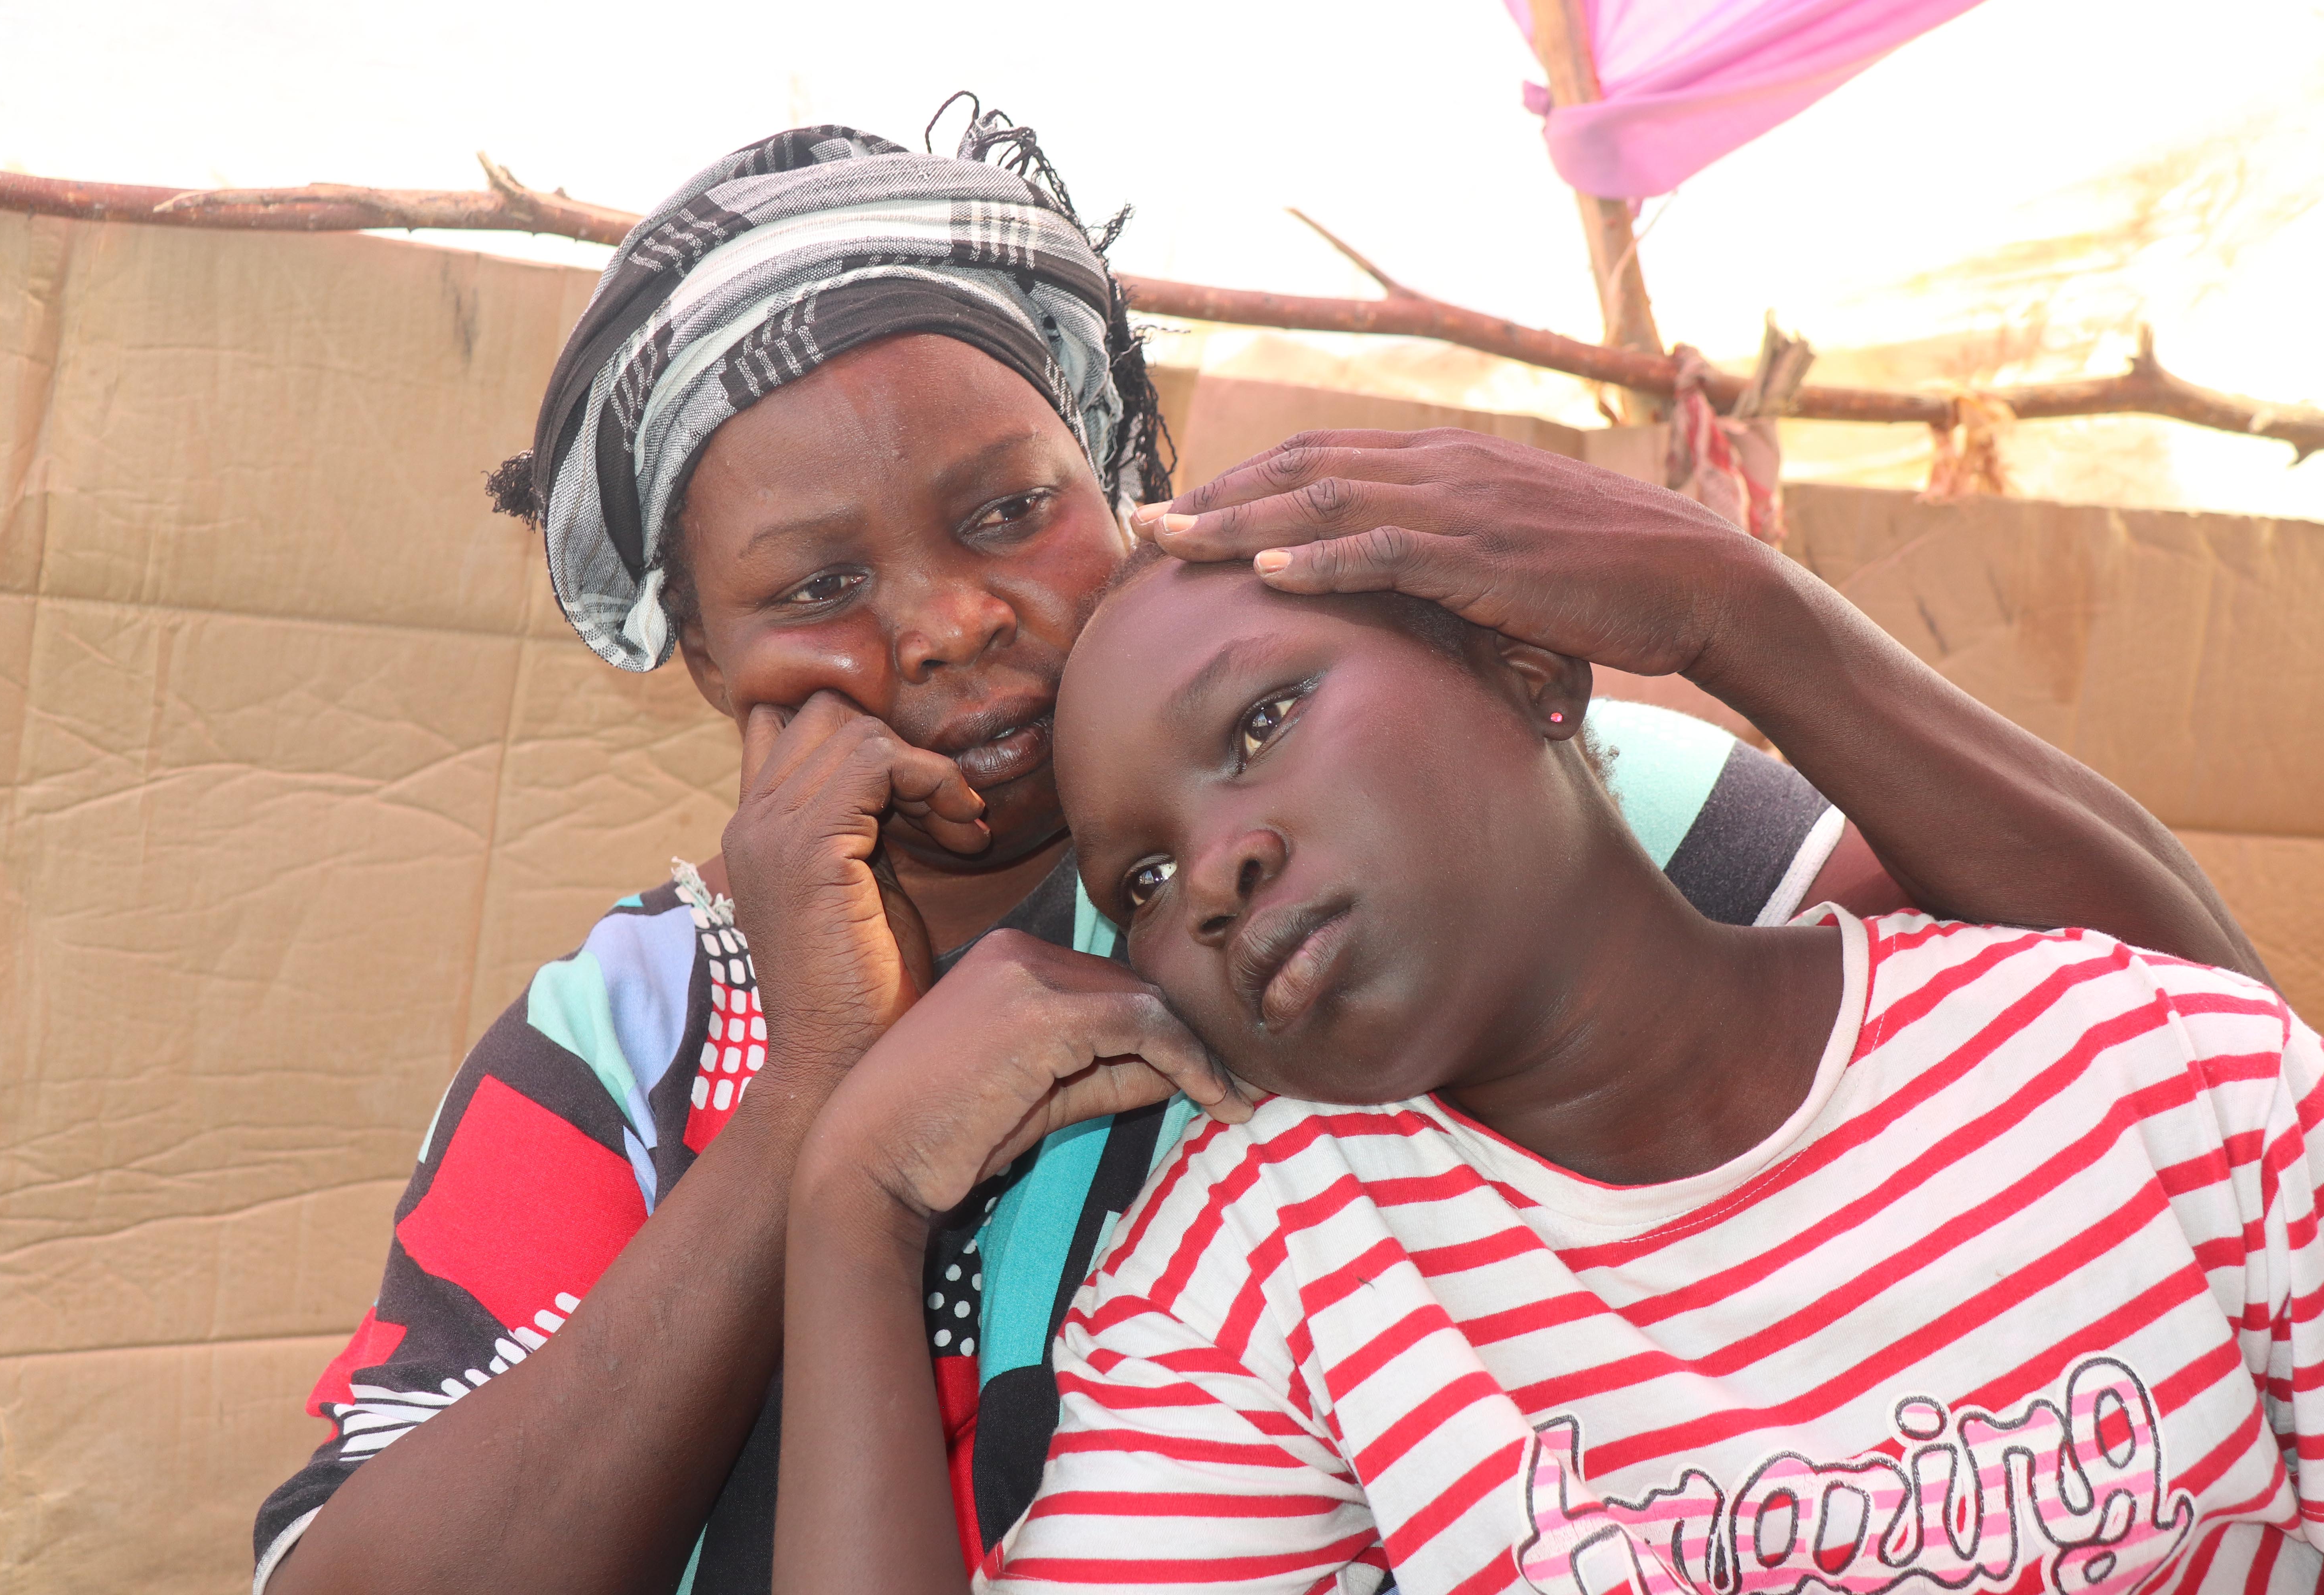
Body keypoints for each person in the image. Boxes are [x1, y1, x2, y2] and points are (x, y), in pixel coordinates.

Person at [254, 110, 2266, 1595]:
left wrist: (1749, 610)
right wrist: (810, 1123)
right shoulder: (625, 1034)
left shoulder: (1514, 819)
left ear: (1122, 477)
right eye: (819, 585)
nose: (948, 624)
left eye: (1003, 507)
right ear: (698, 657)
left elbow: (2151, 1072)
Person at [773, 553, 2323, 1595]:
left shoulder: (2143, 1070)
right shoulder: (1274, 1267)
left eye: (1260, 721)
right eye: (1146, 883)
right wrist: (852, 1208)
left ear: (1533, 674)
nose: (1219, 869)